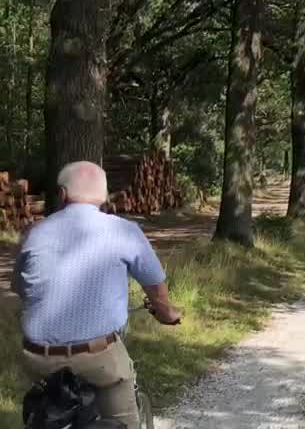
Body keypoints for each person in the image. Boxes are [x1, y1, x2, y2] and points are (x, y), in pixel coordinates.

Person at [12, 161, 183, 426]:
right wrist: (167, 313)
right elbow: (156, 287)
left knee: (44, 414)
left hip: (38, 359)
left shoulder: (35, 233)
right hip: (98, 359)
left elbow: (21, 288)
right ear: (103, 198)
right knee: (123, 421)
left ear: (62, 194)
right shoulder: (123, 231)